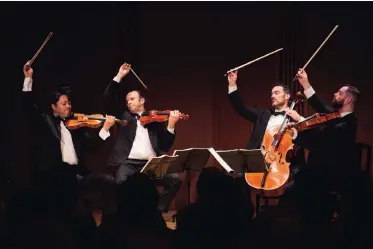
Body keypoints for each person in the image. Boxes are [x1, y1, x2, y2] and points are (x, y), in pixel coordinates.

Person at [21, 61, 115, 215]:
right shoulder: (46, 121)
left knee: (109, 181)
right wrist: (28, 79)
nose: (69, 106)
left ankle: (110, 222)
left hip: (76, 173)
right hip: (54, 174)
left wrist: (105, 129)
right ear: (54, 106)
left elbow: (92, 146)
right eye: (64, 103)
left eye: (69, 103)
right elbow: (28, 106)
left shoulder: (75, 126)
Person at [100, 63, 182, 213]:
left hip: (150, 165)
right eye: (127, 100)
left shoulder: (154, 119)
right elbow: (108, 97)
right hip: (128, 163)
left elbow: (165, 145)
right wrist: (120, 75)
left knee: (175, 179)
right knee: (120, 182)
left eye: (132, 99)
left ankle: (157, 212)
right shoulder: (124, 116)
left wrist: (171, 124)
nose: (129, 102)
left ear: (142, 101)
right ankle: (126, 216)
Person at [227, 71, 306, 187]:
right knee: (237, 183)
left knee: (298, 182)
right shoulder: (263, 114)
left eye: (276, 93)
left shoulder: (295, 118)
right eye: (271, 94)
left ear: (287, 96)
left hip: (285, 164)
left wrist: (298, 121)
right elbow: (242, 109)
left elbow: (307, 138)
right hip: (259, 162)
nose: (272, 96)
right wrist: (232, 84)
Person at [289, 69, 359, 194]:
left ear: (348, 100)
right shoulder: (336, 117)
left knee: (296, 182)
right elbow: (320, 105)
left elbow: (318, 144)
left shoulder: (348, 122)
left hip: (333, 175)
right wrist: (305, 84)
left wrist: (296, 132)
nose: (335, 93)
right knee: (296, 175)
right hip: (321, 170)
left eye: (339, 93)